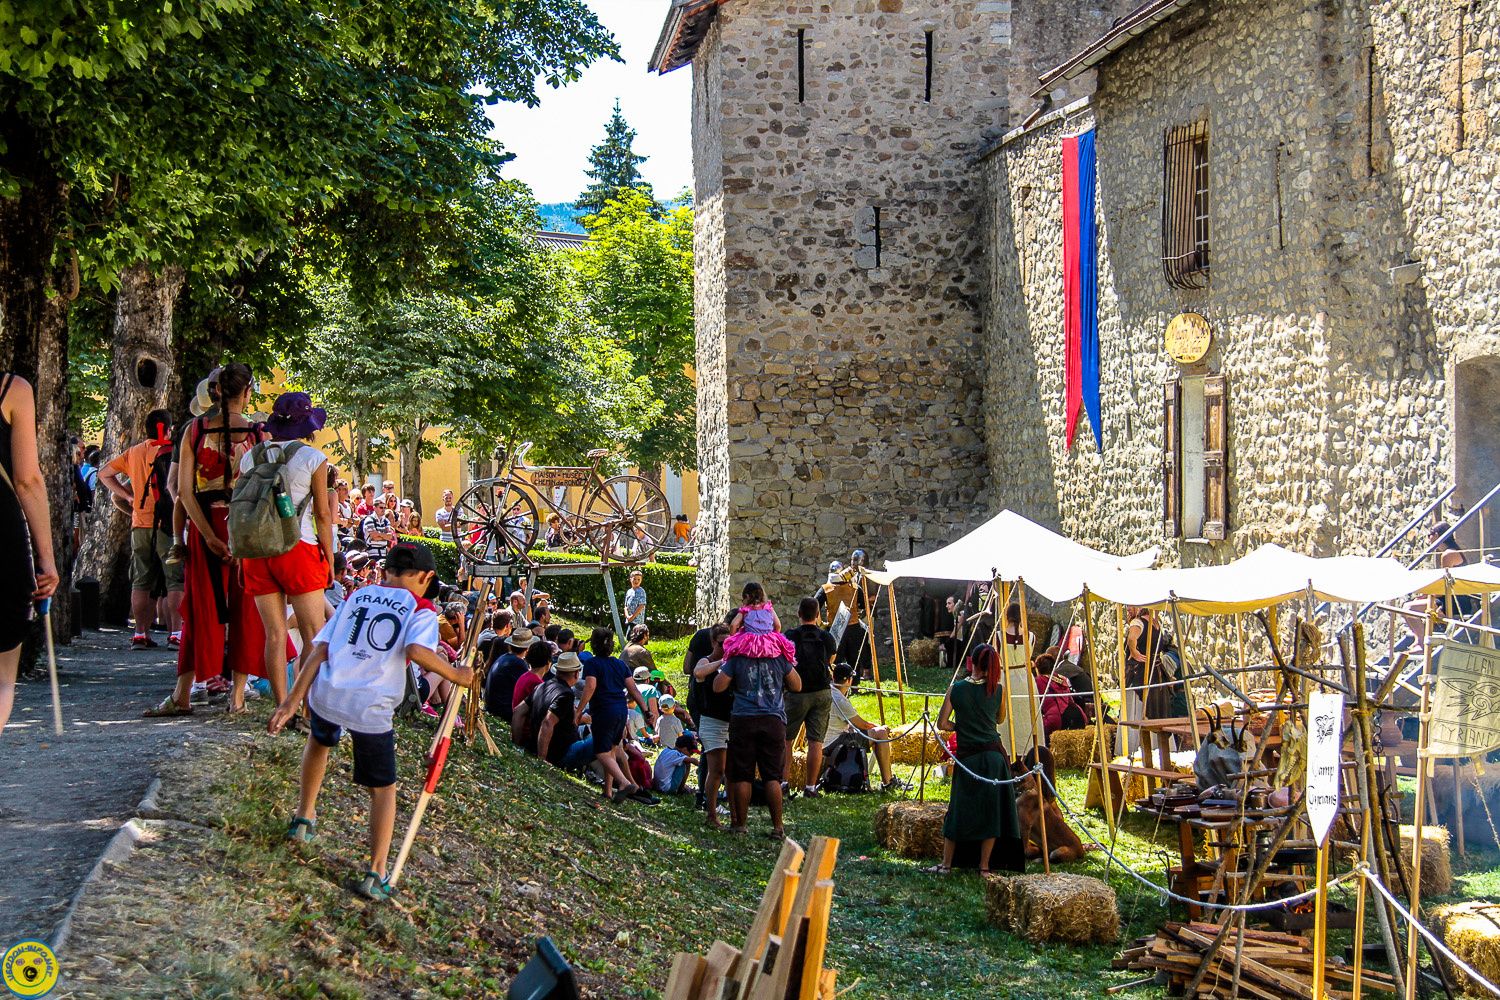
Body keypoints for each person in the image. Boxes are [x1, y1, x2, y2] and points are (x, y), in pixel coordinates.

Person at [269, 543, 471, 902]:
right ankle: (376, 871)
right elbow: (417, 652)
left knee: (319, 742)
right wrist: (456, 674)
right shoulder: (421, 609)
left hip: (328, 692)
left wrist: (291, 700)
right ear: (425, 578)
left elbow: (320, 650)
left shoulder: (357, 597)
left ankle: (303, 819)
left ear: (386, 570)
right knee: (383, 789)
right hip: (370, 705)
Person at [149, 364, 269, 717]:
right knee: (246, 609)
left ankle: (182, 693)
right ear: (246, 392)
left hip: (206, 527)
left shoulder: (194, 430)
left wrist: (208, 538)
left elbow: (183, 492)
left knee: (201, 609)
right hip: (246, 530)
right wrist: (238, 539)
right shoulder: (260, 434)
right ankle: (238, 697)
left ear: (214, 392)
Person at [239, 392, 335, 712]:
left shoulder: (251, 456)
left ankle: (281, 704)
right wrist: (330, 557)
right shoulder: (313, 459)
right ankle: (303, 705)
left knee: (275, 634)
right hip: (299, 547)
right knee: (313, 633)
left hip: (257, 549)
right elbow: (322, 515)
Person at [930, 644, 1025, 875]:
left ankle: (946, 864)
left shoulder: (956, 689)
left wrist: (961, 727)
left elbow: (942, 724)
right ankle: (984, 866)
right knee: (991, 813)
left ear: (972, 662)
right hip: (993, 758)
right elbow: (999, 719)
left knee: (959, 810)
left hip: (968, 758)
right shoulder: (998, 690)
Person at [0, 373, 59, 733]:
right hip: (1, 538)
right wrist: (46, 558)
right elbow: (27, 480)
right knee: (3, 675)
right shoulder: (12, 390)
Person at [99, 408, 184, 650]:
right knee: (175, 580)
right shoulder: (174, 451)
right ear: (167, 429)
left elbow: (105, 474)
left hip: (140, 523)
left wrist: (127, 496)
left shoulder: (134, 452)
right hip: (168, 524)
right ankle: (176, 633)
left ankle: (140, 634)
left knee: (141, 580)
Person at [714, 626, 802, 838]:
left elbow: (718, 686)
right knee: (772, 776)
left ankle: (741, 825)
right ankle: (778, 827)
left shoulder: (737, 657)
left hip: (744, 718)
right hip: (773, 719)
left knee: (743, 774)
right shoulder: (779, 657)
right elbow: (797, 685)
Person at [576, 627, 657, 803]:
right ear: (612, 645)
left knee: (601, 752)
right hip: (621, 711)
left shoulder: (592, 664)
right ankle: (608, 791)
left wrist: (579, 710)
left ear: (594, 645)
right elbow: (633, 689)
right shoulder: (620, 665)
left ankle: (625, 783)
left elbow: (590, 687)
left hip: (604, 711)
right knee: (612, 750)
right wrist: (646, 711)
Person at [783, 596, 837, 797]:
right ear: (817, 615)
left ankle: (783, 781)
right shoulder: (826, 637)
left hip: (797, 692)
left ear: (799, 614)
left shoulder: (790, 635)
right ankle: (810, 787)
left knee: (786, 739)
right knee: (816, 741)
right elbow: (831, 658)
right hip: (822, 691)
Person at [1402, 522, 1481, 654]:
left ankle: (1422, 643)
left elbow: (1444, 586)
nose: (1428, 539)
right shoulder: (1448, 552)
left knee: (1409, 608)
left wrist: (1428, 595)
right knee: (1410, 606)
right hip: (1450, 598)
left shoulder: (1448, 555)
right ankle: (1418, 640)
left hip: (1456, 601)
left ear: (1437, 535)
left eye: (1429, 535)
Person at [825, 663, 900, 790]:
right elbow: (862, 724)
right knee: (880, 733)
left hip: (824, 740)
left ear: (834, 677)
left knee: (874, 732)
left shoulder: (828, 691)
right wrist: (880, 727)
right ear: (849, 680)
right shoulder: (840, 699)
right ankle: (888, 781)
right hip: (833, 743)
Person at [691, 625, 734, 826]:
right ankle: (711, 814)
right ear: (713, 642)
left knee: (731, 771)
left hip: (730, 720)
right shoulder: (706, 660)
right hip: (711, 720)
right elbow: (698, 672)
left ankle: (734, 814)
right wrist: (722, 661)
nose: (726, 646)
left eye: (729, 642)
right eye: (721, 643)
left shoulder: (731, 663)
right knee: (717, 769)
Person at [723, 581, 799, 662]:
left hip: (750, 642)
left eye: (743, 599)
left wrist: (733, 638)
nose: (743, 602)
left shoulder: (746, 609)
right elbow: (778, 625)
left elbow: (733, 625)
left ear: (747, 596)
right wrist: (772, 636)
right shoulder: (768, 608)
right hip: (768, 642)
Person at [484, 627, 536, 716]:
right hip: (501, 709)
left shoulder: (505, 657)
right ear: (527, 648)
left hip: (492, 705)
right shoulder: (517, 663)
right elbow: (527, 689)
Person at [628, 664, 660, 741]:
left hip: (631, 732)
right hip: (646, 733)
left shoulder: (628, 689)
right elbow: (654, 712)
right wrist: (655, 732)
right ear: (648, 679)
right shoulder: (650, 689)